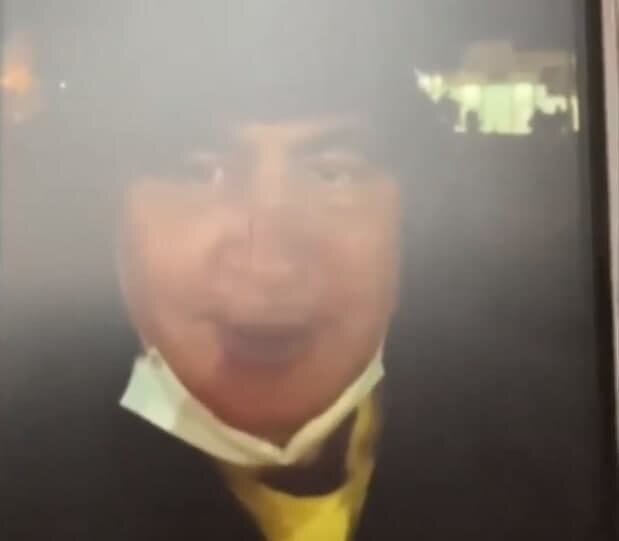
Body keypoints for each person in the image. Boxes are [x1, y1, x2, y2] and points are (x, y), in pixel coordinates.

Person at [1, 2, 613, 540]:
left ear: (411, 219)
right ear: (108, 217)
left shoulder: (564, 446)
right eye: (197, 172)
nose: (269, 263)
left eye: (333, 173)